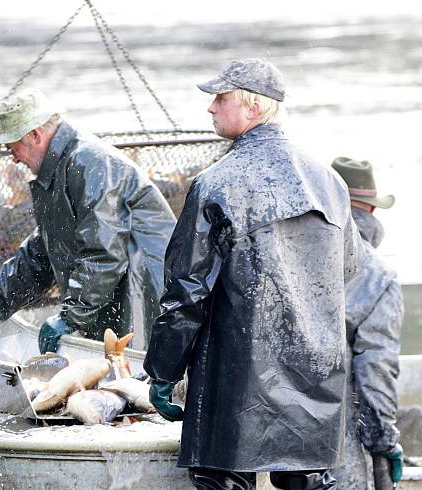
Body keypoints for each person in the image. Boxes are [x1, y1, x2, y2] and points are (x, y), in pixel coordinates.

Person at [144, 58, 359, 490]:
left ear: (254, 108)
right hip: (317, 372)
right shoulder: (330, 181)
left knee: (222, 480)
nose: (210, 108)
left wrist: (163, 372)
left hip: (236, 378)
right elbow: (348, 268)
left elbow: (186, 292)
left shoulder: (216, 182)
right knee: (308, 481)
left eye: (220, 99)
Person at [0, 88, 176, 353]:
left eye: (12, 146)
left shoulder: (89, 162)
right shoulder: (58, 170)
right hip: (111, 292)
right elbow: (40, 255)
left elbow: (104, 254)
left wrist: (69, 316)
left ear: (34, 135)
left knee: (133, 375)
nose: (13, 157)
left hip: (144, 291)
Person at [330, 157, 404, 489]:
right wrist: (384, 443)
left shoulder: (286, 248)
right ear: (372, 211)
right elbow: (375, 368)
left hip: (265, 427)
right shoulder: (378, 276)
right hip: (334, 432)